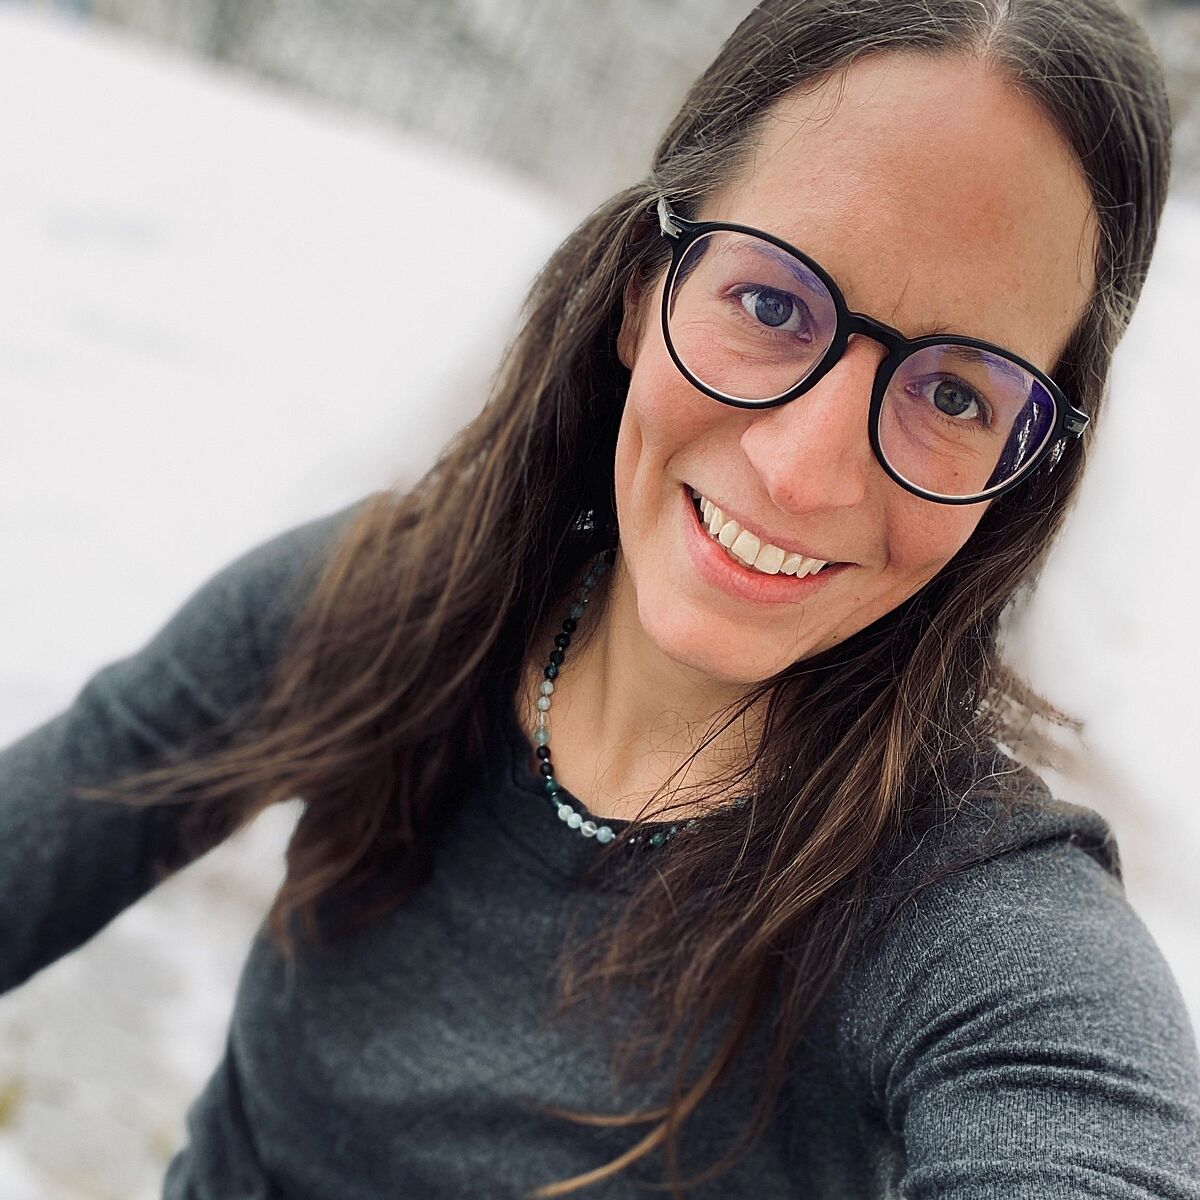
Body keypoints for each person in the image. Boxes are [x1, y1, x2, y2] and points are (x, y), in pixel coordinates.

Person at [3, 0, 1198, 1196]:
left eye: (954, 395)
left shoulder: (969, 923)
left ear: (1025, 471)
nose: (804, 472)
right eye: (771, 305)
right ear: (642, 287)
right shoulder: (387, 606)